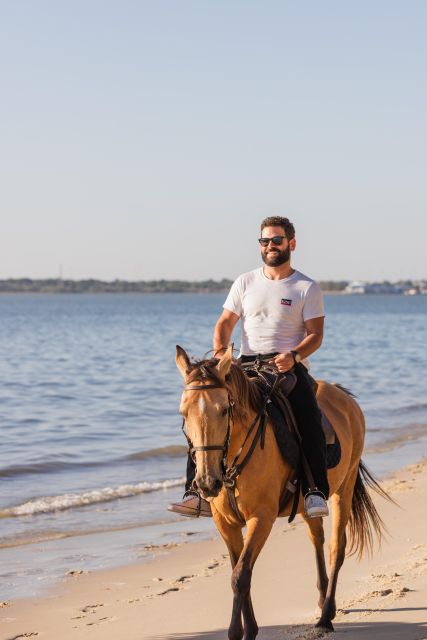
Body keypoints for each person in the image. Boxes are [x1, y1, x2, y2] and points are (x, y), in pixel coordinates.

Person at [168, 216, 329, 519]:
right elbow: (225, 324)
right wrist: (219, 358)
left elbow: (316, 335)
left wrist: (293, 356)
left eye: (277, 240)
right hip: (244, 366)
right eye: (264, 241)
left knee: (309, 416)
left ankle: (314, 491)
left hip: (287, 368)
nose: (270, 246)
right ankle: (194, 492)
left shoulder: (306, 287)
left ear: (290, 244)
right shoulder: (245, 281)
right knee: (202, 414)